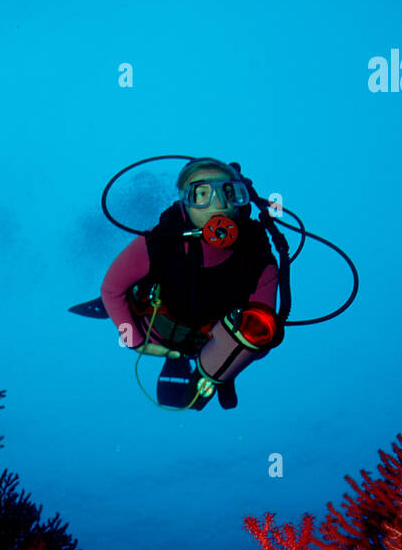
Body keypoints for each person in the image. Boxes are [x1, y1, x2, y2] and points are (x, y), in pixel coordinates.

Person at [100, 158, 280, 409]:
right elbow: (110, 289)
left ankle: (206, 368)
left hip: (207, 344)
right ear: (185, 203)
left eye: (229, 192)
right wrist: (135, 341)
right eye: (202, 194)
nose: (218, 204)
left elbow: (261, 338)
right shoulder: (158, 243)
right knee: (121, 298)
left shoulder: (258, 259)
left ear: (242, 199)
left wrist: (219, 370)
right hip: (156, 330)